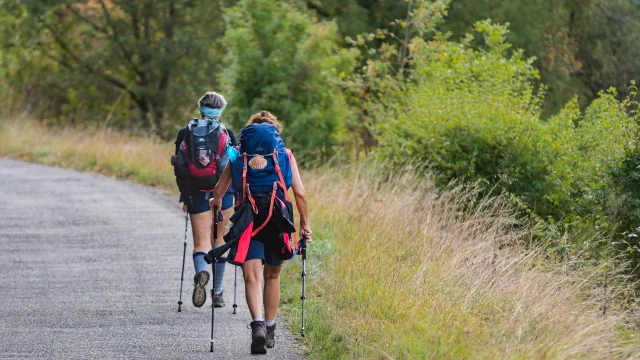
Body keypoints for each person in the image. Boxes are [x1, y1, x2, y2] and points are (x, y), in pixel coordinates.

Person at [208, 111, 312, 354]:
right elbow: (300, 194)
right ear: (275, 133)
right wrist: (304, 223)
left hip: (248, 220)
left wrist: (216, 206)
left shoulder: (237, 156)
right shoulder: (285, 155)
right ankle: (270, 327)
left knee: (251, 277)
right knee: (272, 277)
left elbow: (219, 191)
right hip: (278, 220)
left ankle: (257, 325)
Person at [173, 91, 236, 308]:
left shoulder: (185, 133)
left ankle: (201, 272)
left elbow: (179, 167)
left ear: (200, 110)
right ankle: (217, 292)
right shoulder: (227, 134)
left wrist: (185, 197)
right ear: (220, 111)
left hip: (196, 193)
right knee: (220, 241)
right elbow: (235, 168)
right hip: (224, 194)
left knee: (201, 243)